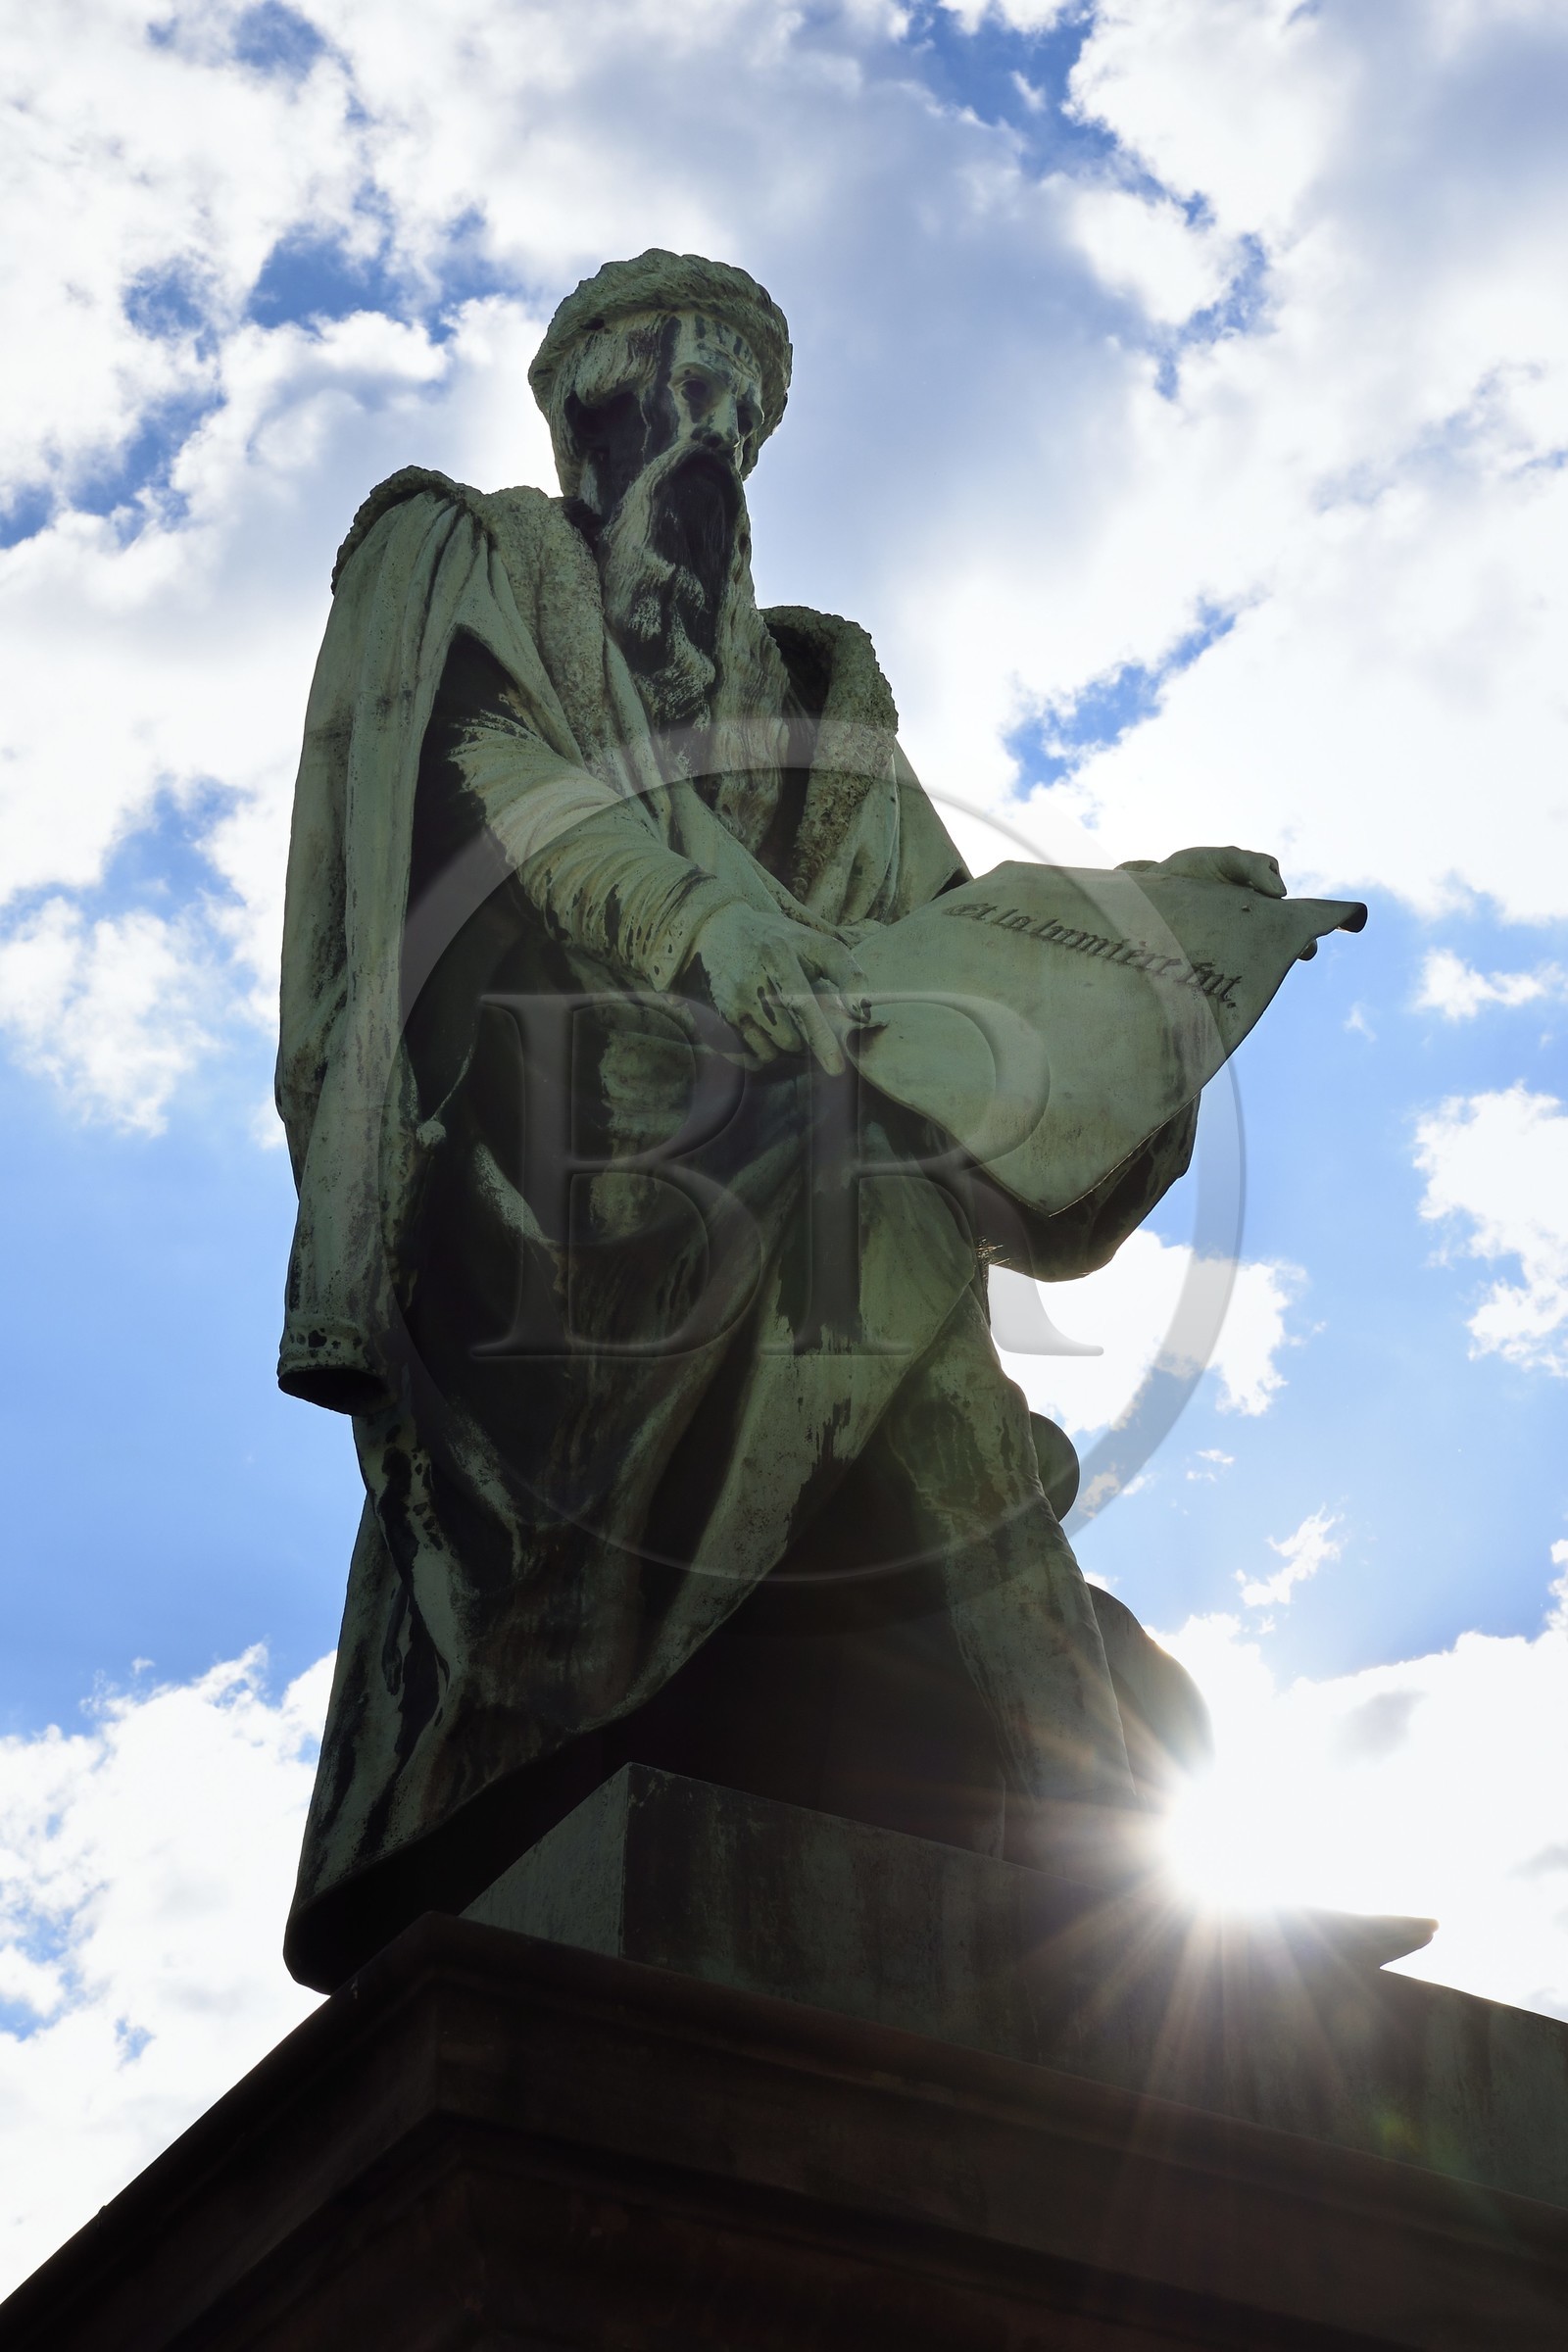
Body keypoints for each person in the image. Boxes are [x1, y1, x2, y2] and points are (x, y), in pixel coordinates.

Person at [276, 251, 1238, 1991]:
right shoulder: (463, 550)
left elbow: (936, 937)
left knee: (872, 1194)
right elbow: (501, 789)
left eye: (744, 400)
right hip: (541, 1154)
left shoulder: (817, 685)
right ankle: (1105, 1835)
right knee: (862, 1206)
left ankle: (1085, 1804)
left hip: (779, 1138)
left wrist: (1140, 971)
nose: (708, 423)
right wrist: (707, 929)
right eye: (674, 378)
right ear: (579, 403)